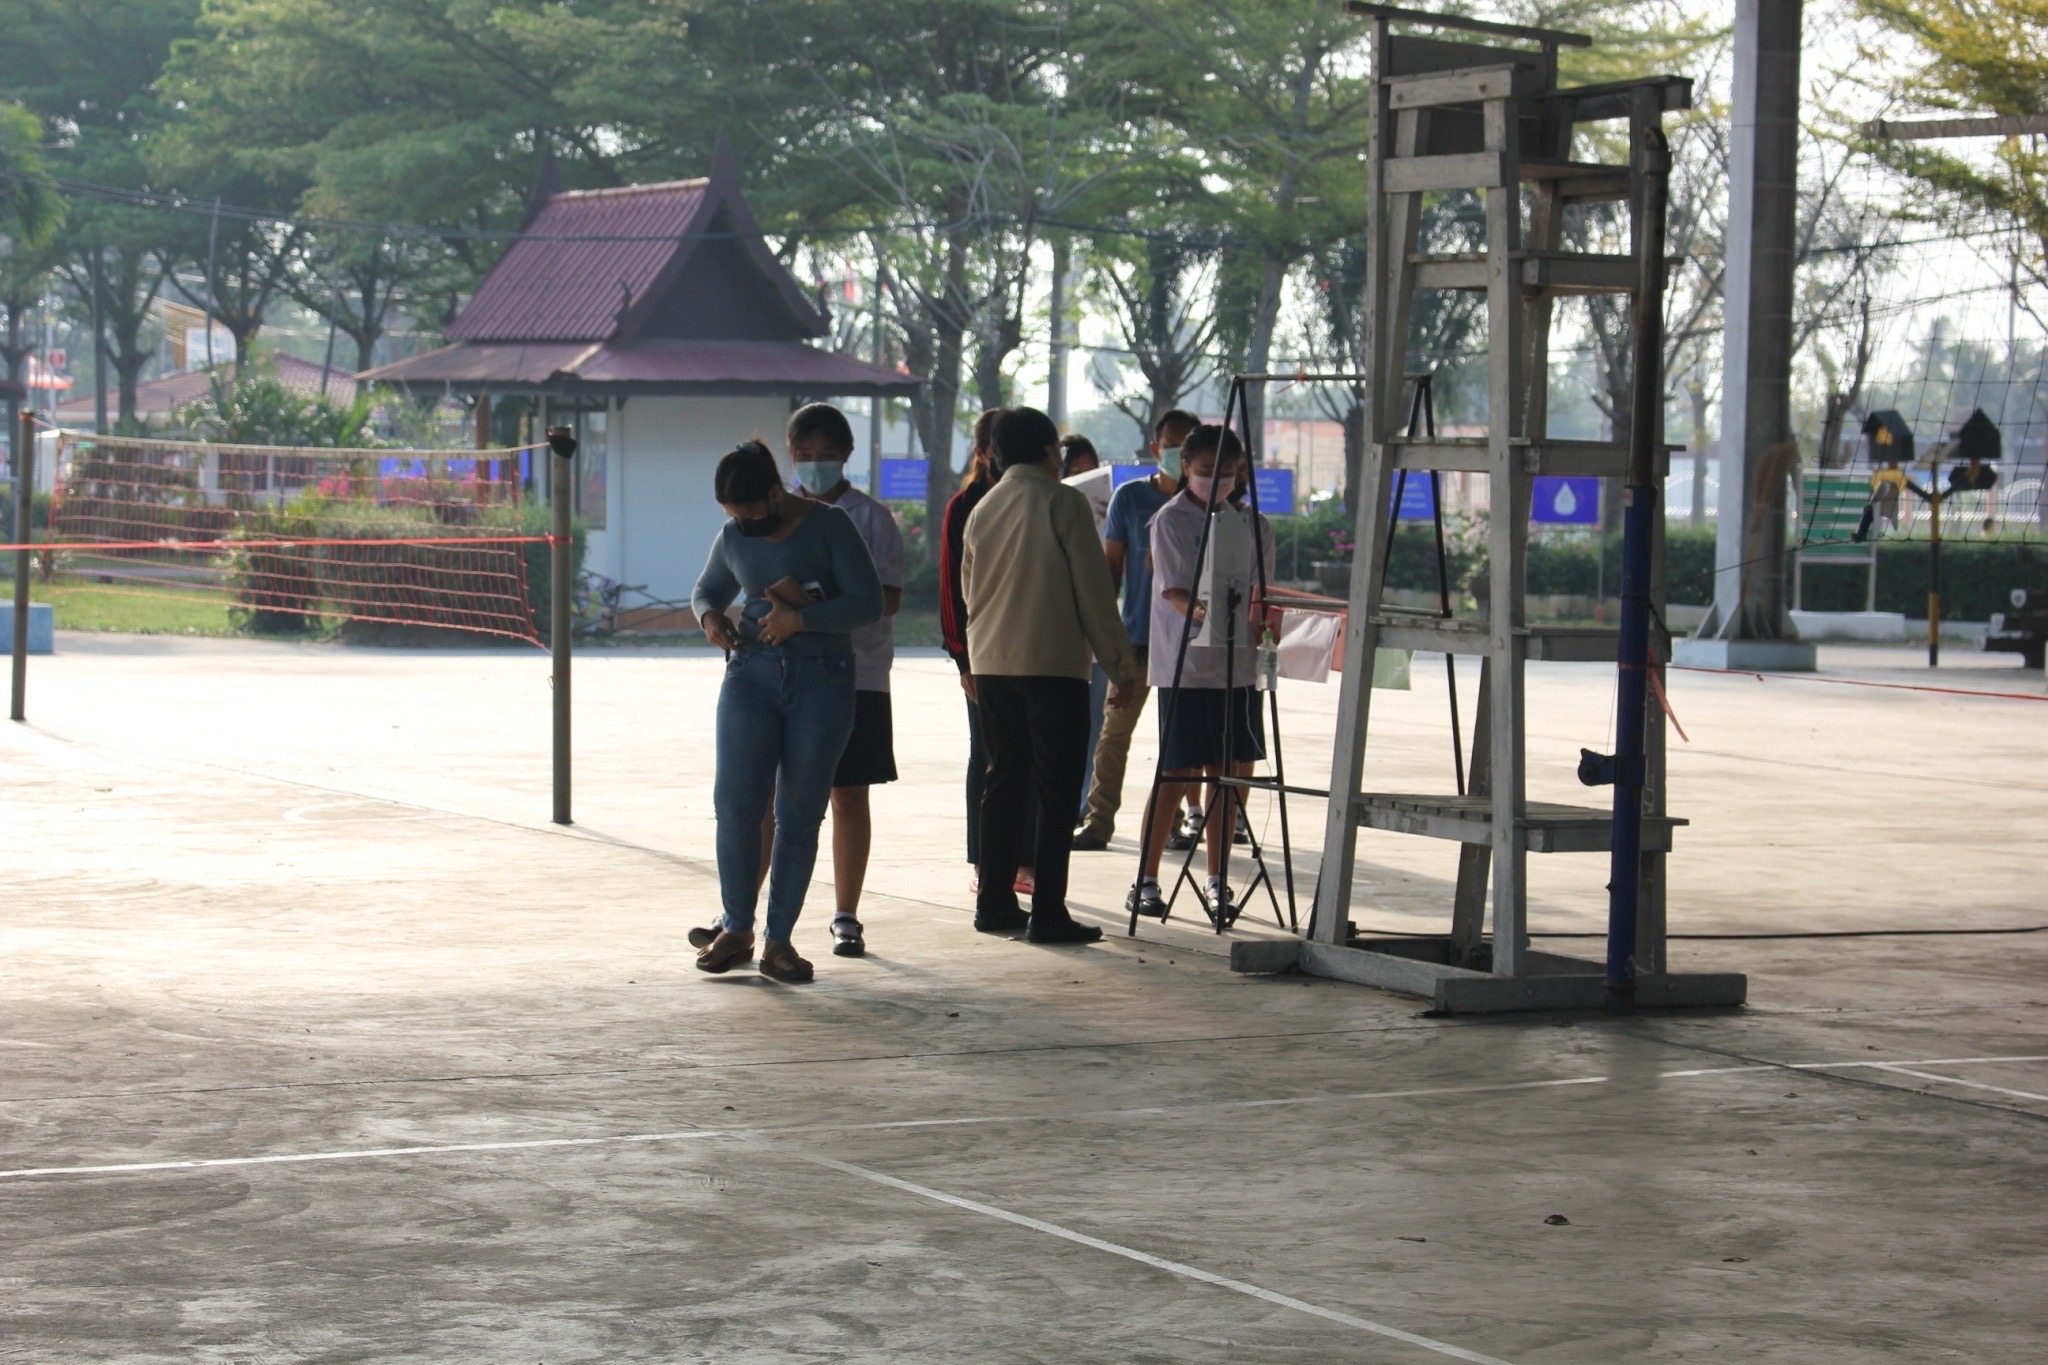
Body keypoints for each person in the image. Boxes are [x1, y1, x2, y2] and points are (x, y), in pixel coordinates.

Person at [689, 441, 884, 983]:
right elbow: (707, 589)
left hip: (822, 681)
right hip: (749, 677)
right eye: (734, 517)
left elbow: (868, 602)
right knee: (735, 805)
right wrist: (709, 618)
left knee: (799, 814)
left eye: (751, 515)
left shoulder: (830, 526)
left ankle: (779, 942)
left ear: (775, 494)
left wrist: (801, 621)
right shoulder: (734, 537)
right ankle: (736, 927)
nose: (745, 527)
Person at [960, 406, 1139, 944]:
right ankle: (1048, 912)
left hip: (992, 664)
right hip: (1053, 664)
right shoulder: (1063, 502)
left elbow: (970, 590)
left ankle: (994, 903)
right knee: (1056, 789)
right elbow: (1094, 592)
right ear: (1048, 452)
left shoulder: (983, 508)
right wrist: (1121, 666)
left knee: (1002, 782)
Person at [1127, 423, 1275, 922]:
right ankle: (1146, 879)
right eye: (1207, 471)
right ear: (1186, 467)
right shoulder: (1171, 520)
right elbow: (1174, 592)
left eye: (1227, 472)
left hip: (1239, 670)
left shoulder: (1255, 525)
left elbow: (1261, 594)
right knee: (1177, 771)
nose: (1217, 481)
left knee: (1229, 775)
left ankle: (1217, 878)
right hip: (1186, 668)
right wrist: (1211, 615)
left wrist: (1266, 623)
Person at [1071, 408, 1200, 852]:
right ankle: (1098, 822)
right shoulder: (1130, 499)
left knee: (1177, 740)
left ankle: (1171, 823)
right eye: (1172, 445)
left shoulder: (1203, 505)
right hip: (1136, 641)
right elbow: (1111, 569)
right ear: (1155, 449)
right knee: (1113, 735)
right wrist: (1103, 632)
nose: (1178, 453)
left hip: (1187, 644)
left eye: (1186, 445)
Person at [940, 409, 1034, 894]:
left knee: (1033, 754)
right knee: (989, 754)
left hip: (1036, 648)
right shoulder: (965, 506)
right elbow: (951, 590)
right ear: (982, 453)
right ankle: (985, 863)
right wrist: (963, 660)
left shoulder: (1039, 498)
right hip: (983, 653)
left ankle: (1027, 862)